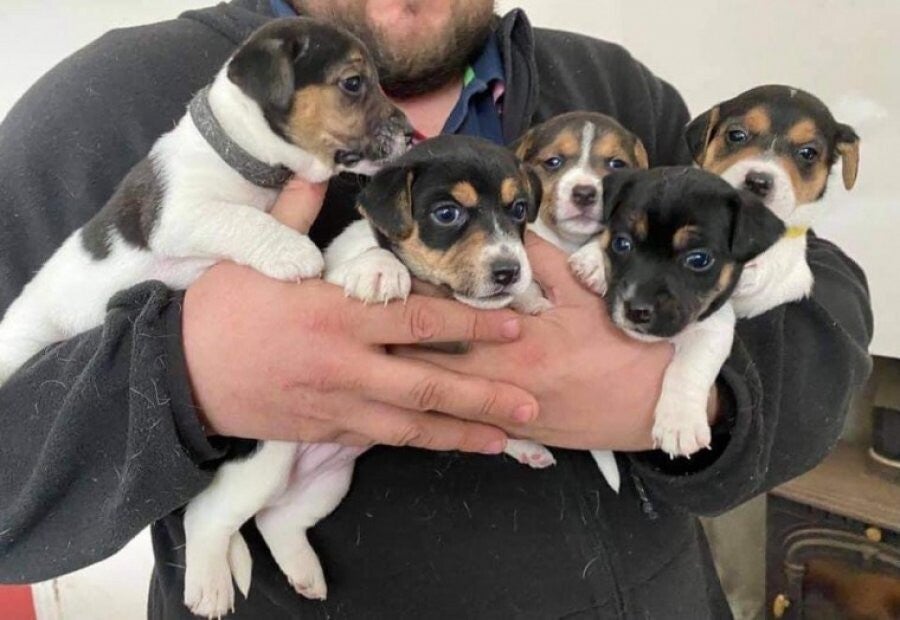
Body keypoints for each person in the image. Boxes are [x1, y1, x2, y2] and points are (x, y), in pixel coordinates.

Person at [0, 0, 872, 617]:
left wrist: (699, 398)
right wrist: (181, 378)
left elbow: (814, 291)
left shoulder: (610, 83)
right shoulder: (110, 102)